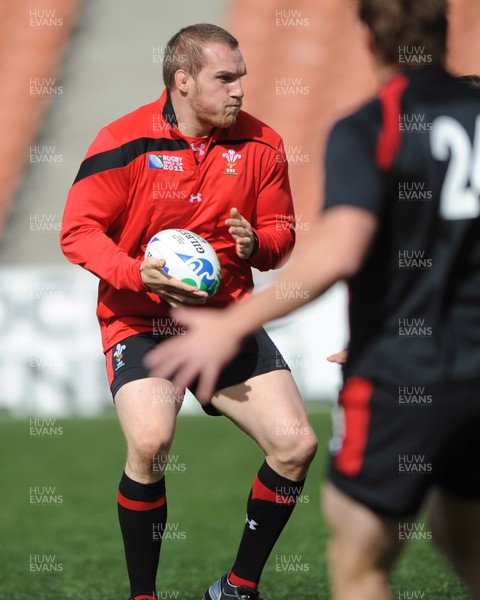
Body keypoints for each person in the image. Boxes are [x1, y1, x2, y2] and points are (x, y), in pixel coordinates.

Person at [145, 2, 480, 599]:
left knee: (360, 563)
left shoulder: (372, 125)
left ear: (366, 34)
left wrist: (232, 324)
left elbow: (338, 253)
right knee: (465, 540)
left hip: (409, 375)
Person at [60, 23, 317, 600]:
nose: (239, 92)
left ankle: (237, 588)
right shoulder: (123, 141)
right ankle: (144, 596)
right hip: (142, 321)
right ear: (182, 81)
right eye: (224, 79)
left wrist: (259, 245)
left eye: (241, 78)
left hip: (225, 319)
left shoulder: (263, 144)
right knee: (150, 442)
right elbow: (77, 231)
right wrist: (133, 274)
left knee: (296, 444)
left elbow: (282, 234)